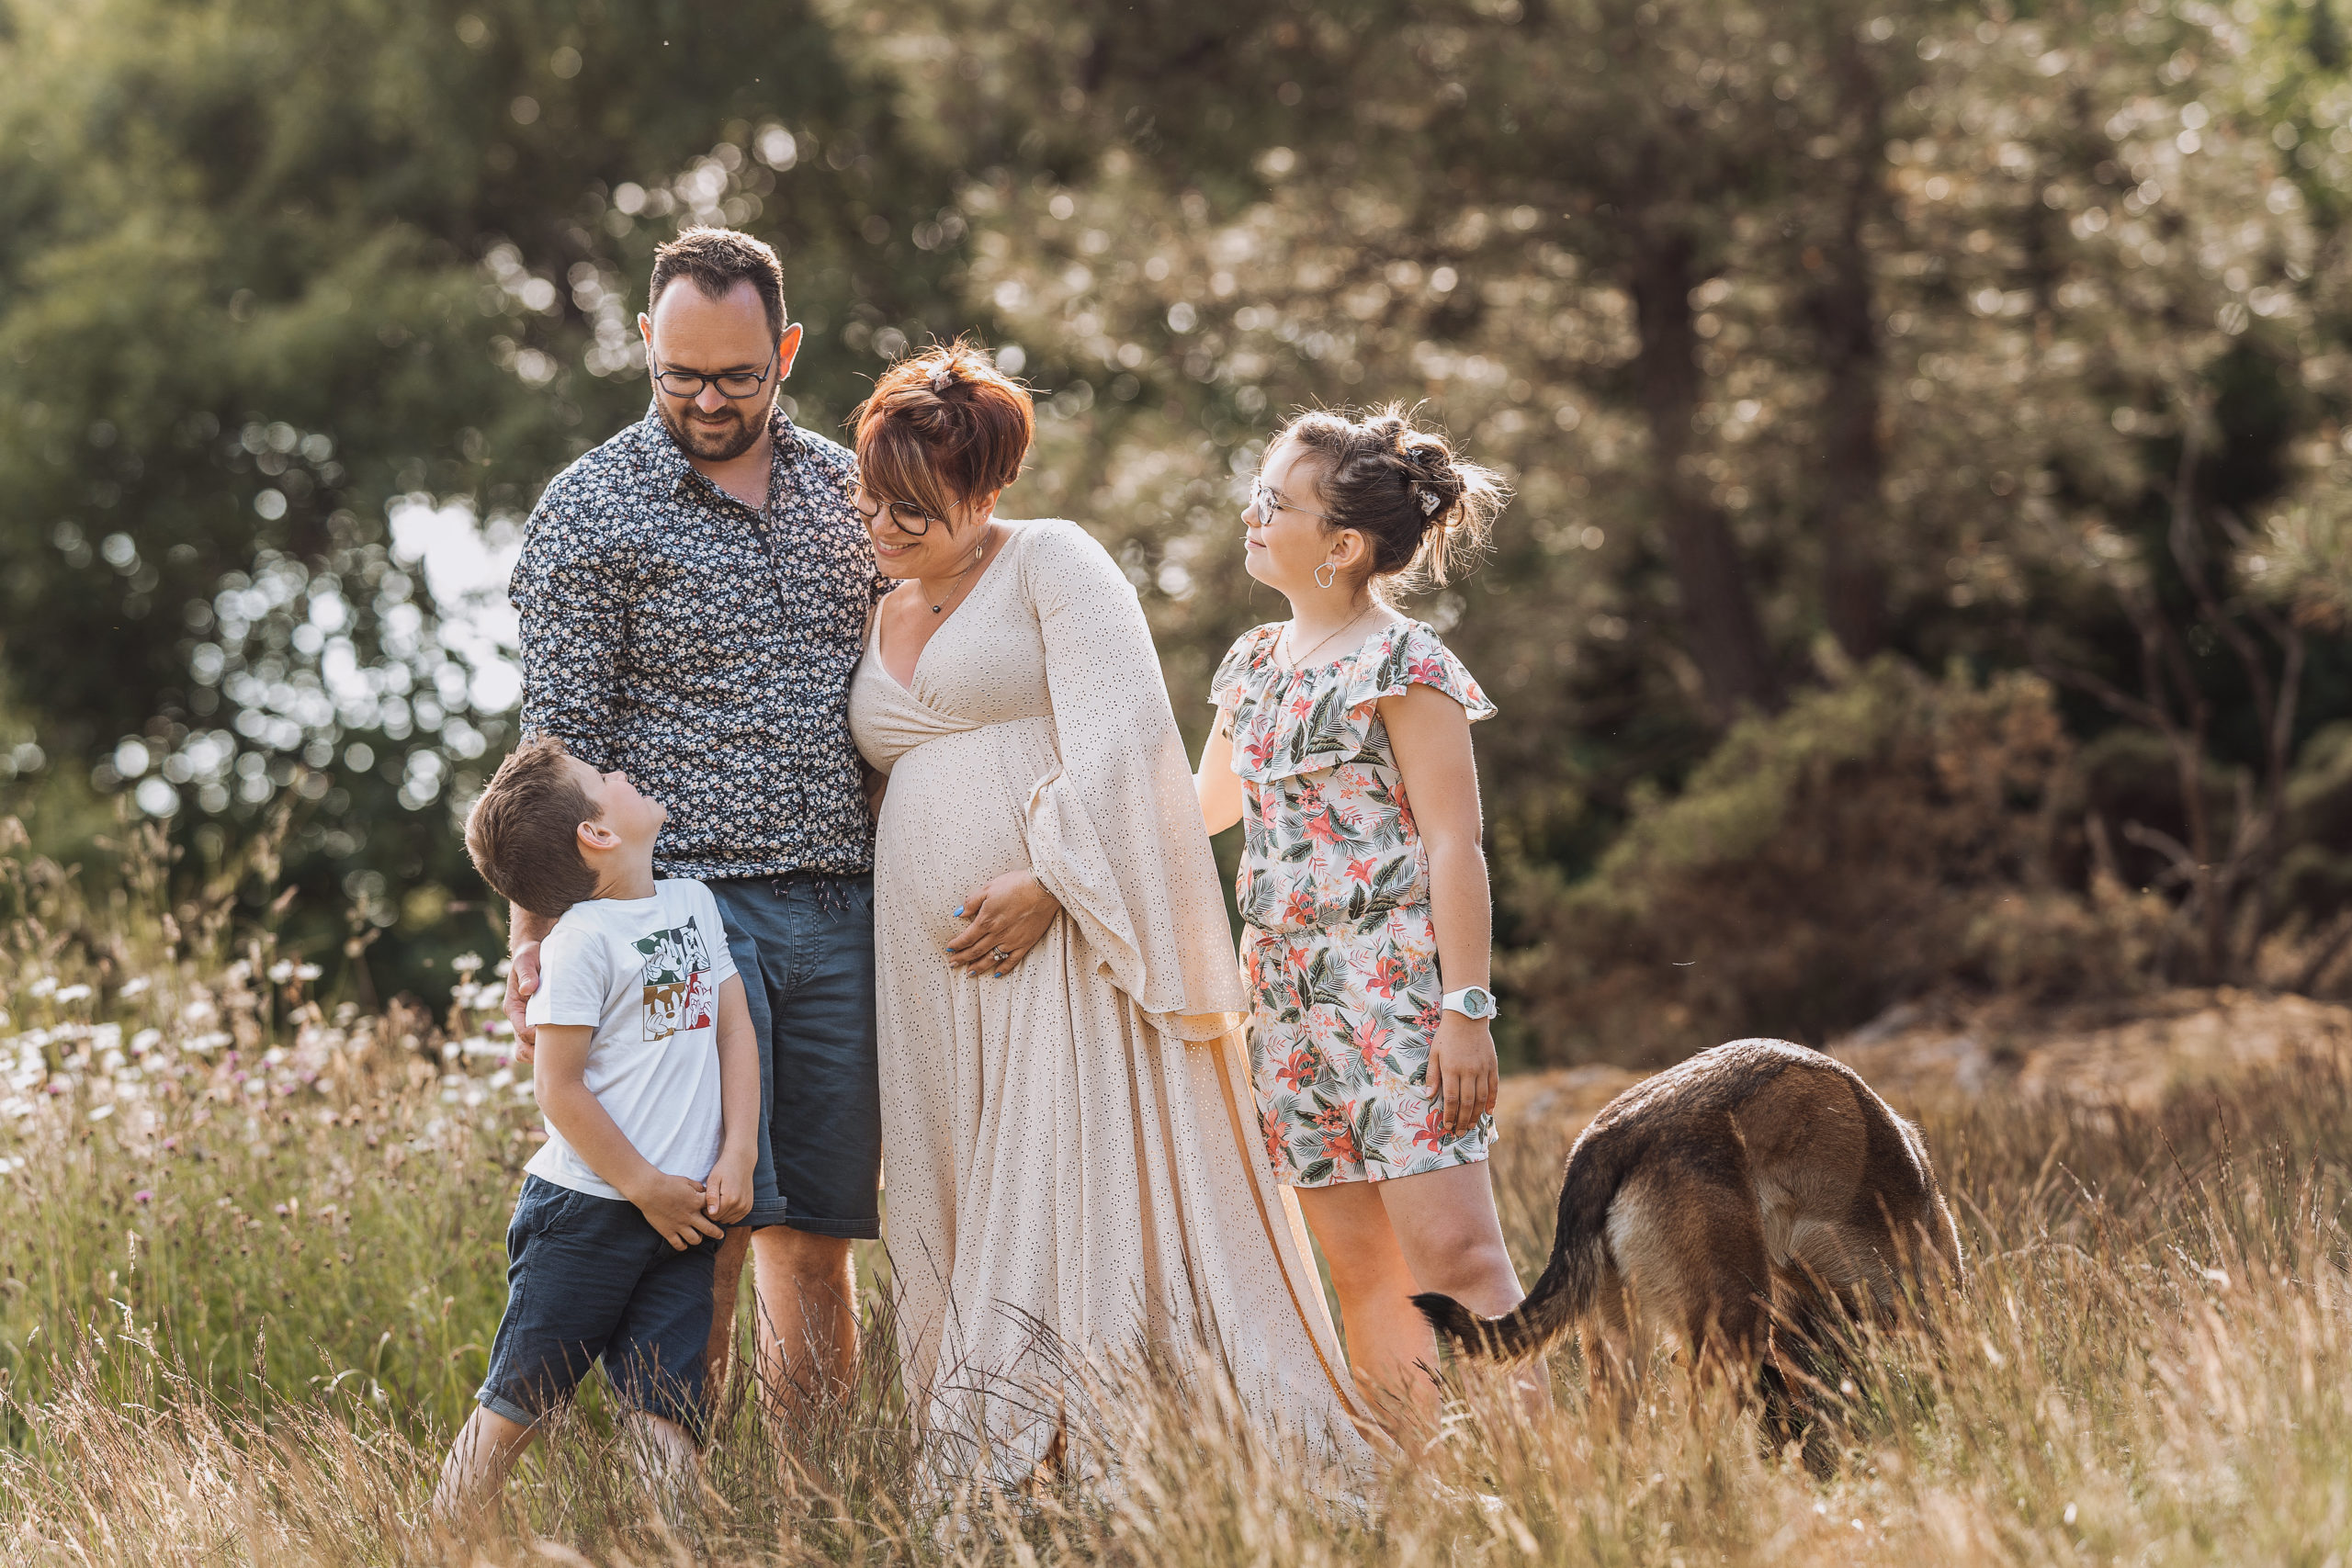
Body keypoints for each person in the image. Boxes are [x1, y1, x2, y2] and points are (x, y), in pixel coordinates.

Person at [845, 341, 1375, 1474]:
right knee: (953, 1176)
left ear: (983, 492)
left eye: (914, 510)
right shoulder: (876, 600)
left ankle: (1106, 1444)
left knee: (1058, 1176)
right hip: (923, 968)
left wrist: (1052, 884)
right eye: (872, 501)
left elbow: (1131, 741)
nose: (884, 528)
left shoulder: (1052, 562)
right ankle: (976, 1423)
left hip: (1064, 947)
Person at [503, 228, 887, 1419]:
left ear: (788, 350)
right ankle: (689, 1515)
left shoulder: (850, 490)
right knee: (697, 1231)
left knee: (817, 1240)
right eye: (680, 374)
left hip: (844, 906)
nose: (708, 399)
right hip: (685, 915)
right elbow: (552, 756)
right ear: (644, 346)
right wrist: (530, 942)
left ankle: (816, 1509)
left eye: (737, 375)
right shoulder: (589, 508)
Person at [1193, 405, 1544, 1434]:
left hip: (1398, 1003)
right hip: (1287, 1012)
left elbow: (1454, 846)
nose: (1251, 514)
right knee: (1363, 1276)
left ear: (1341, 547)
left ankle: (1554, 1486)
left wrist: (1466, 1010)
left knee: (1459, 1261)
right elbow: (1201, 810)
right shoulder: (1251, 664)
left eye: (1273, 502)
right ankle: (1421, 1492)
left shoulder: (1405, 663)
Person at [436, 736, 760, 1513]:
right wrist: (644, 1185)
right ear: (598, 833)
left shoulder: (692, 903)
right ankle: (440, 1541)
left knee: (667, 1404)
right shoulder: (576, 943)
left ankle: (666, 1546)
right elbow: (559, 1088)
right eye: (602, 778)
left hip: (686, 1213)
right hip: (585, 1214)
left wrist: (739, 1151)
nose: (622, 771)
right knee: (520, 1399)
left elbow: (733, 1029)